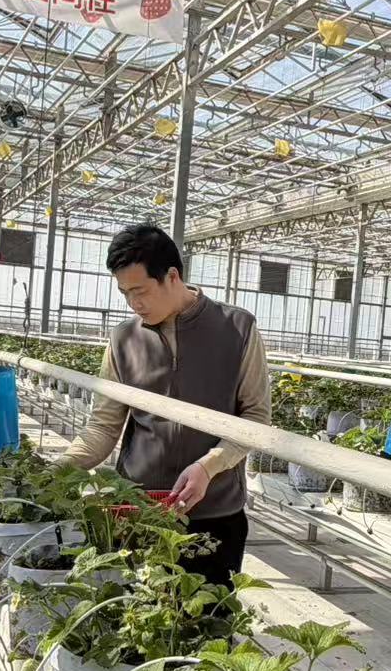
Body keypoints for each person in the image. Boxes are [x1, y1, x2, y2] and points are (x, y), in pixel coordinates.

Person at [59, 224, 270, 590]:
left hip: (213, 514)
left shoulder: (237, 328)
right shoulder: (123, 340)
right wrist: (56, 471)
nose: (133, 303)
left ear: (172, 276)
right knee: (137, 615)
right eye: (124, 293)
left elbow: (255, 416)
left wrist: (209, 466)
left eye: (140, 291)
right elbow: (104, 426)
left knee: (207, 616)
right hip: (138, 513)